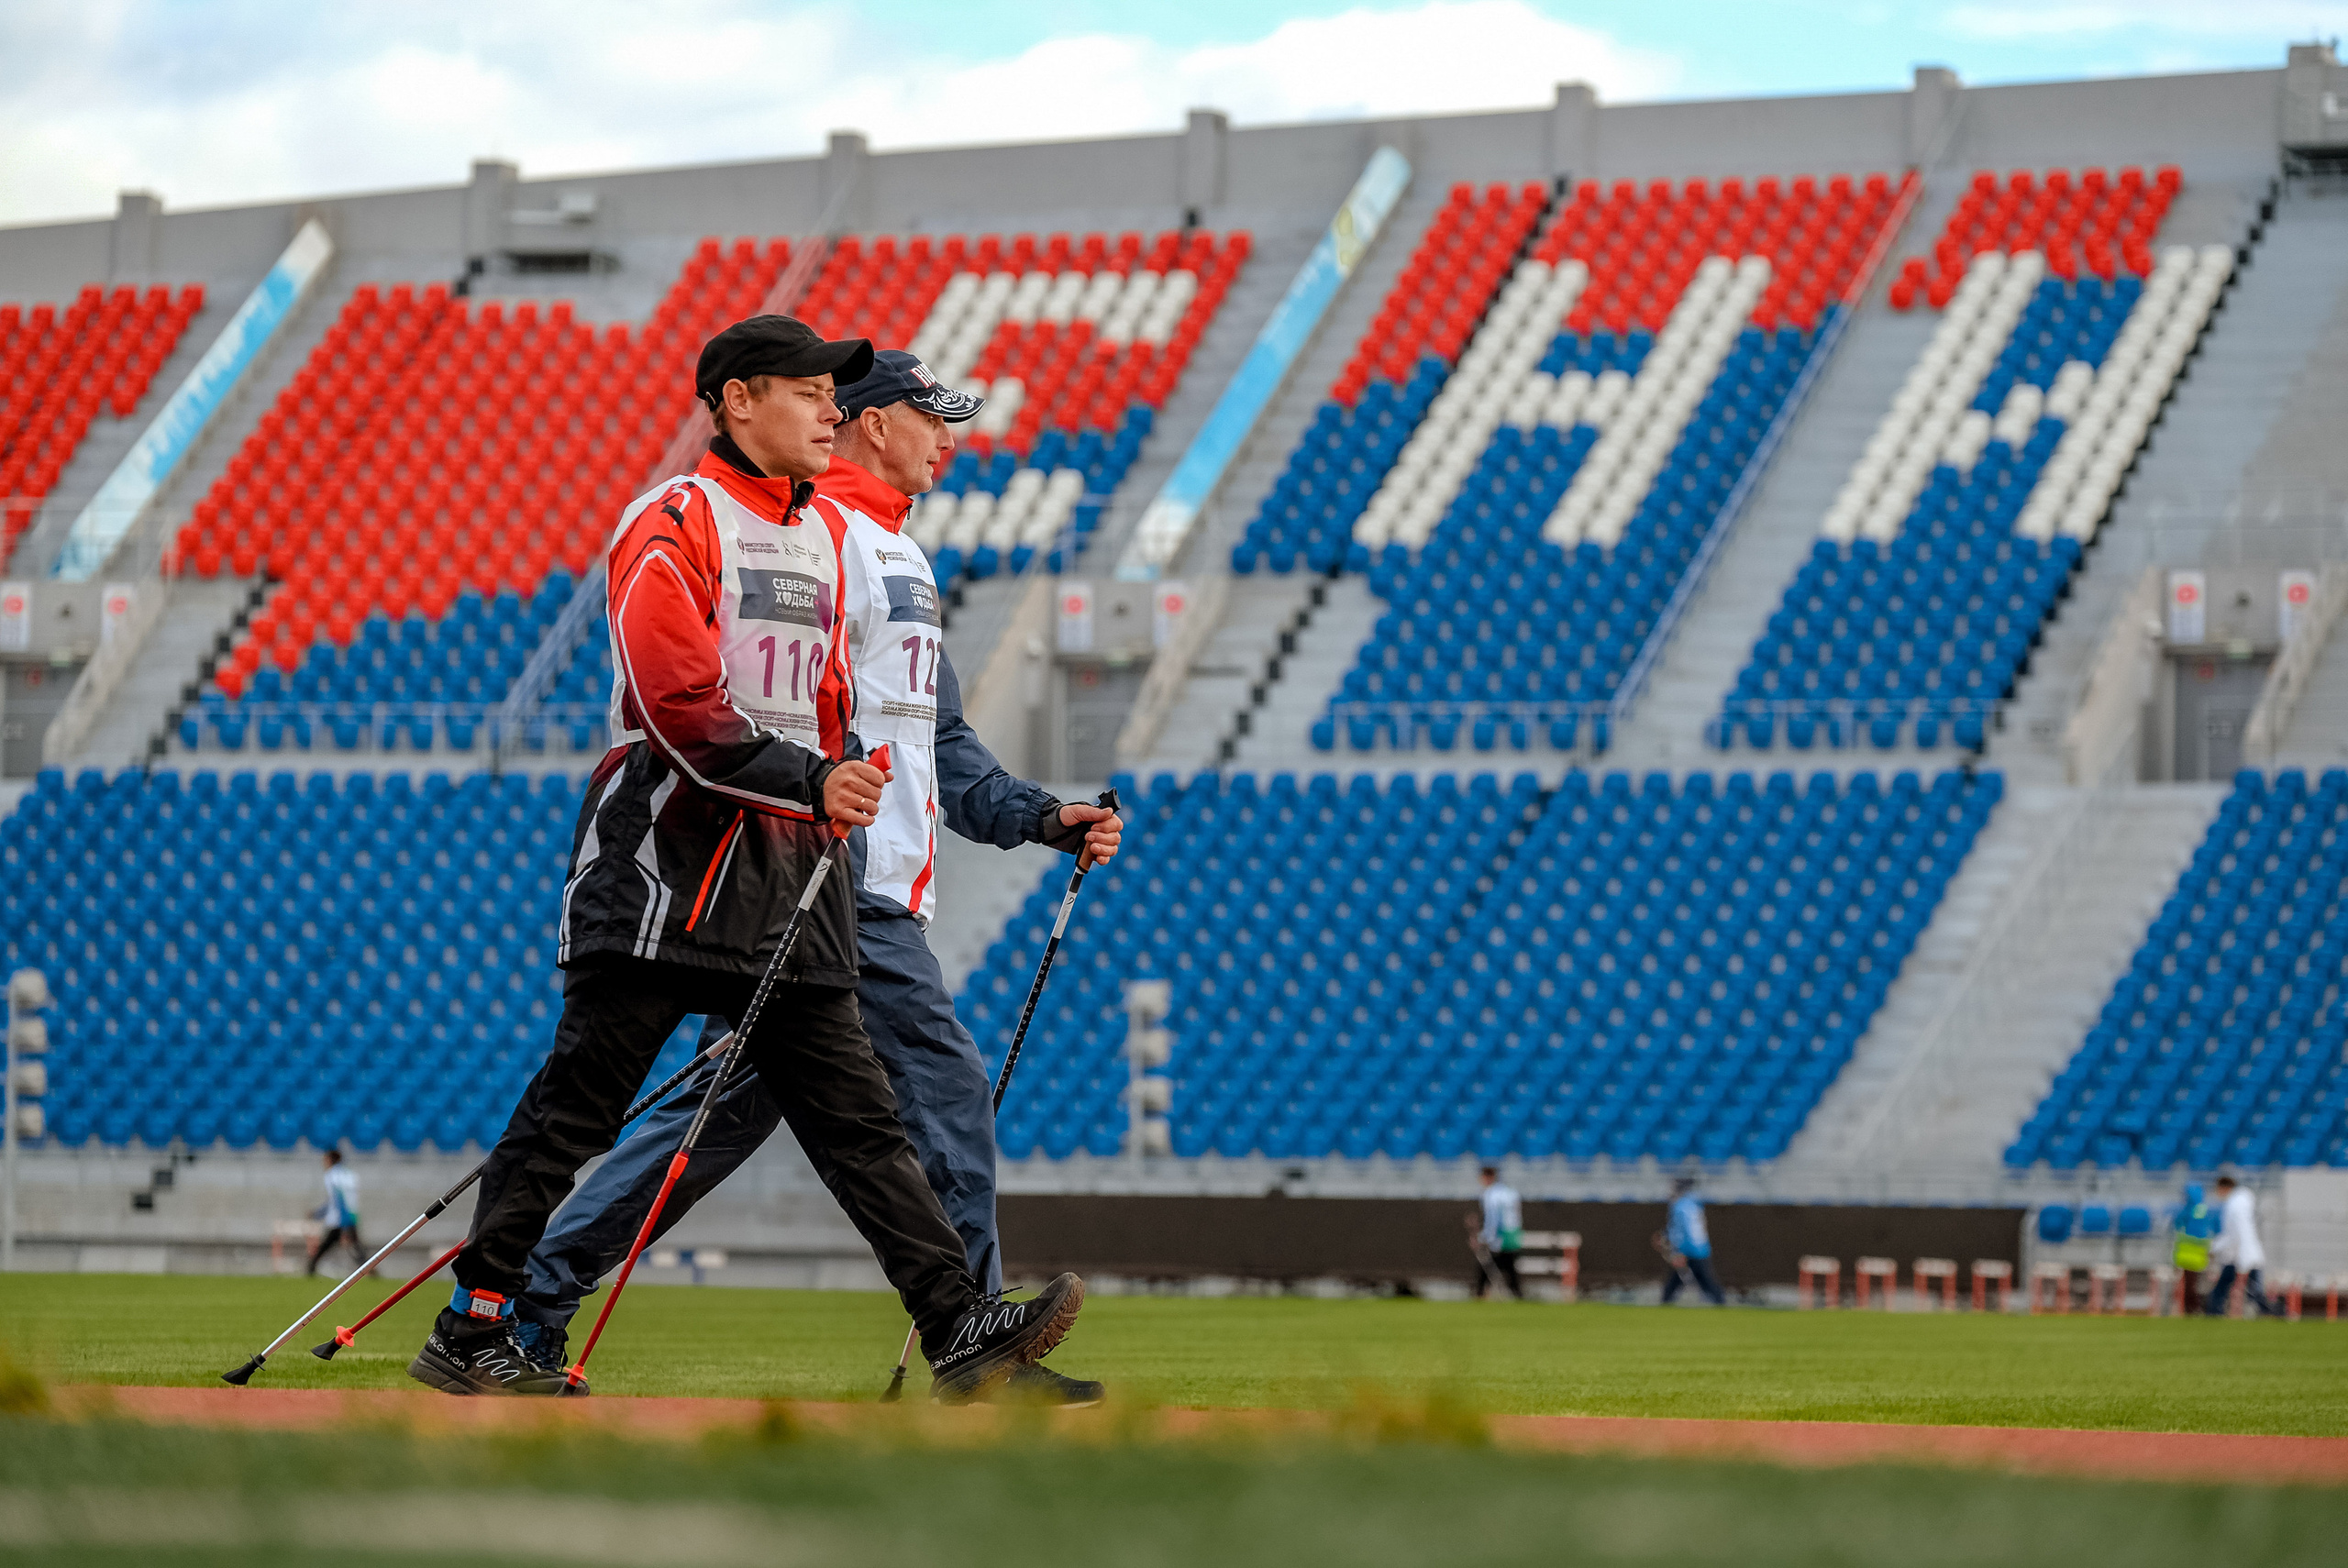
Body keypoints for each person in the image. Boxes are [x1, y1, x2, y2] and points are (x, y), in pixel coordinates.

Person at [407, 315, 1084, 1399]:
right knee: (578, 1106)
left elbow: (849, 712)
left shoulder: (828, 536)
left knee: (857, 1119)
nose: (829, 409)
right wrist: (816, 781)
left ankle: (961, 1330)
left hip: (797, 877)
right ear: (736, 400)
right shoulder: (676, 517)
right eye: (810, 391)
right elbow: (675, 700)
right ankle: (482, 1319)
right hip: (668, 866)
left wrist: (889, 793)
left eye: (837, 393)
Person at [2205, 1174, 2282, 1318]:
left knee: (2251, 1290)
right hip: (2241, 1254)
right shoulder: (2241, 1202)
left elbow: (2237, 1234)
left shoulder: (2235, 1205)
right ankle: (2214, 1310)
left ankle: (2275, 1311)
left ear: (2224, 1188)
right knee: (2241, 1286)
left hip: (2241, 1254)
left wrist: (2215, 1247)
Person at [1659, 1176, 1727, 1306]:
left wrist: (1679, 1252)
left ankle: (1665, 1304)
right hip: (1701, 1249)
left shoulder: (1679, 1206)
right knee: (1705, 1282)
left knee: (1681, 1282)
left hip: (1688, 1250)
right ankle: (1721, 1303)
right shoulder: (1695, 1203)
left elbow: (1681, 1231)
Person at [305, 1148, 367, 1276]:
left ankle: (311, 1267)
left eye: (325, 1159)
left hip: (340, 1218)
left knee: (330, 1244)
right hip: (352, 1215)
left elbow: (337, 1200)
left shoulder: (332, 1176)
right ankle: (368, 1268)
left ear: (330, 1160)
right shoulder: (350, 1175)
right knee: (354, 1246)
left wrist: (318, 1214)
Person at [1471, 1165, 1523, 1298]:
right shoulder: (1511, 1192)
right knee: (1508, 1265)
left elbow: (1494, 1218)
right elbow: (1517, 1215)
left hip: (1500, 1235)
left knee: (1491, 1262)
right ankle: (1516, 1293)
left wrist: (1486, 1236)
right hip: (1513, 1233)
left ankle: (1481, 1292)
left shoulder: (1490, 1195)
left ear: (1488, 1177)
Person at [2172, 1181, 2214, 1315]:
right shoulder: (2205, 1209)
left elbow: (2178, 1223)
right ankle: (2194, 1306)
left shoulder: (2188, 1209)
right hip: (2200, 1252)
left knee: (2189, 1282)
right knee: (2195, 1282)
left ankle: (2191, 1307)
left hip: (2187, 1251)